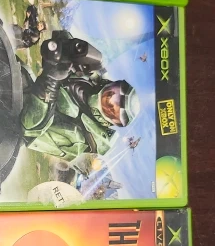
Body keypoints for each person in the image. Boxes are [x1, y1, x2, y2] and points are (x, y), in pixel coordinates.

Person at [20, 30, 140, 166]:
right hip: (23, 88)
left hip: (12, 125)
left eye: (112, 109)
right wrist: (69, 49)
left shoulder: (81, 138)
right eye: (112, 93)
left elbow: (29, 129)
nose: (110, 100)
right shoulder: (89, 81)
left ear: (109, 122)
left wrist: (50, 83)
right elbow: (61, 37)